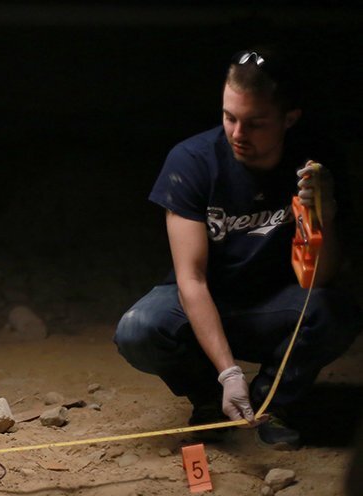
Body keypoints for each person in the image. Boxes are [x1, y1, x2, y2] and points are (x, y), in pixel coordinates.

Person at [114, 48, 362, 449]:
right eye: (229, 117)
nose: (237, 134)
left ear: (289, 118)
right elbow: (190, 278)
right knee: (138, 329)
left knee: (336, 313)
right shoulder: (191, 161)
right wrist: (229, 373)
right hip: (204, 299)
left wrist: (325, 217)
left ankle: (269, 404)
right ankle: (211, 401)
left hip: (274, 304)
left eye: (255, 123)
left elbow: (321, 277)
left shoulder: (314, 164)